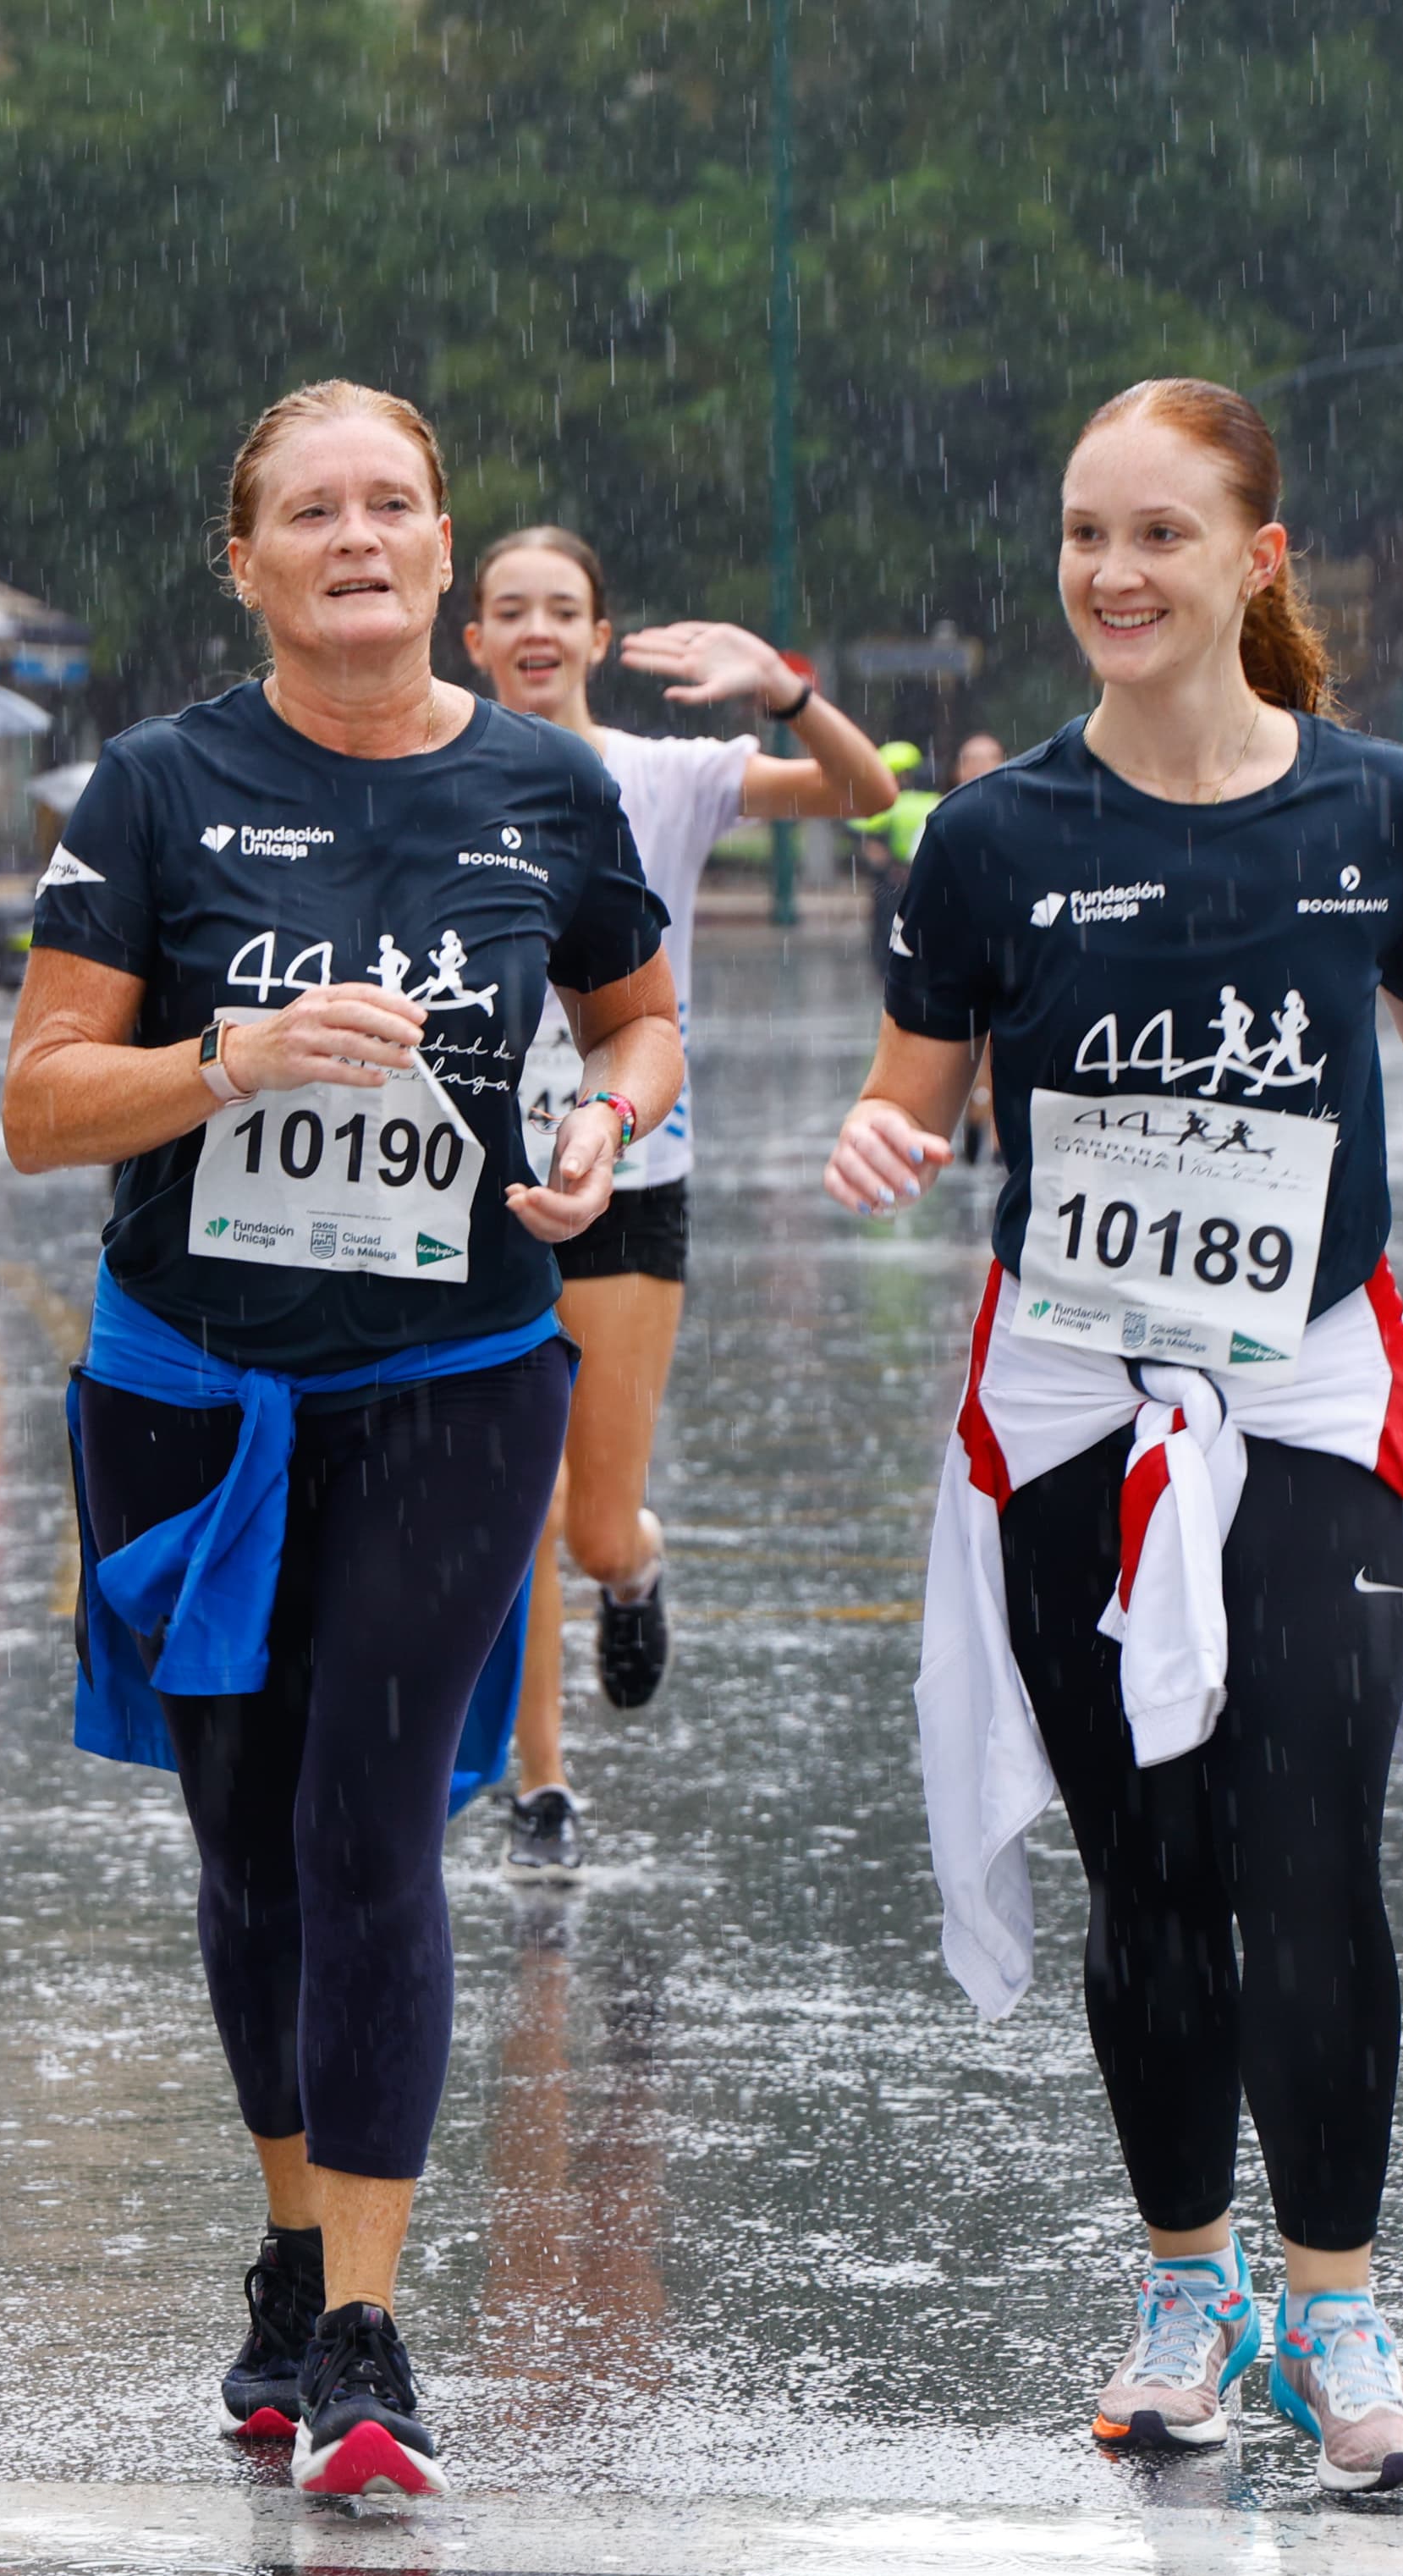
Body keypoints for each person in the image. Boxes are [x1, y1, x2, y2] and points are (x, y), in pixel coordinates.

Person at [823, 377, 1403, 2498]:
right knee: (1147, 1868)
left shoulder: (1371, 807)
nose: (1110, 574)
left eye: (1157, 534)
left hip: (1312, 1380)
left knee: (1303, 1845)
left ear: (1254, 561)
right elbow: (918, 1078)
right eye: (1085, 532)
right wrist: (884, 1138)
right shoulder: (992, 838)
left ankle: (1337, 2318)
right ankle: (1188, 2290)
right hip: (1074, 1389)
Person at [6, 383, 675, 2501]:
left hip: (455, 1381)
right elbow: (35, 1100)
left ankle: (370, 2331)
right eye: (313, 508)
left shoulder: (541, 786)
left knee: (375, 1824)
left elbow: (634, 1016)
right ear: (247, 557)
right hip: (193, 1384)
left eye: (394, 502)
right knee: (248, 1843)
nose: (359, 537)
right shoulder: (156, 789)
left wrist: (602, 1117)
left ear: (442, 538)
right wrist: (229, 1055)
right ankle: (291, 2254)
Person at [453, 523, 897, 1870]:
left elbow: (864, 795)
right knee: (512, 1508)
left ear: (598, 637)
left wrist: (787, 691)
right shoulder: (437, 772)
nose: (535, 630)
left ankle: (636, 1567)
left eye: (562, 610)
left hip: (634, 1173)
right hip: (476, 1179)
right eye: (509, 609)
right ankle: (541, 1785)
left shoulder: (670, 774)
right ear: (471, 641)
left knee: (587, 1523)